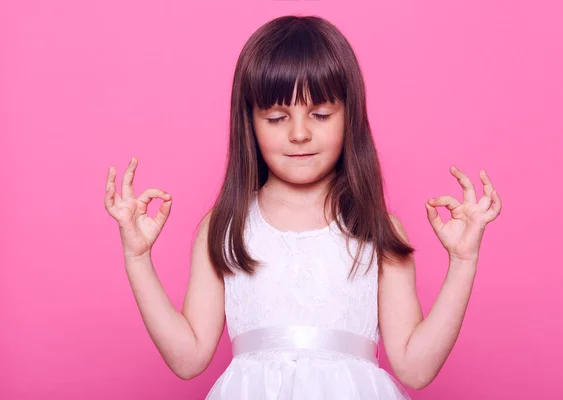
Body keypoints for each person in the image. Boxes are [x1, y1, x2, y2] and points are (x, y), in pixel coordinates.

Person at [104, 15, 502, 399]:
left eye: (321, 114)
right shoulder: (227, 226)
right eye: (277, 117)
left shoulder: (376, 230)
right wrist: (138, 259)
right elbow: (188, 357)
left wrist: (463, 263)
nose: (299, 133)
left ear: (351, 116)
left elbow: (416, 368)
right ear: (250, 122)